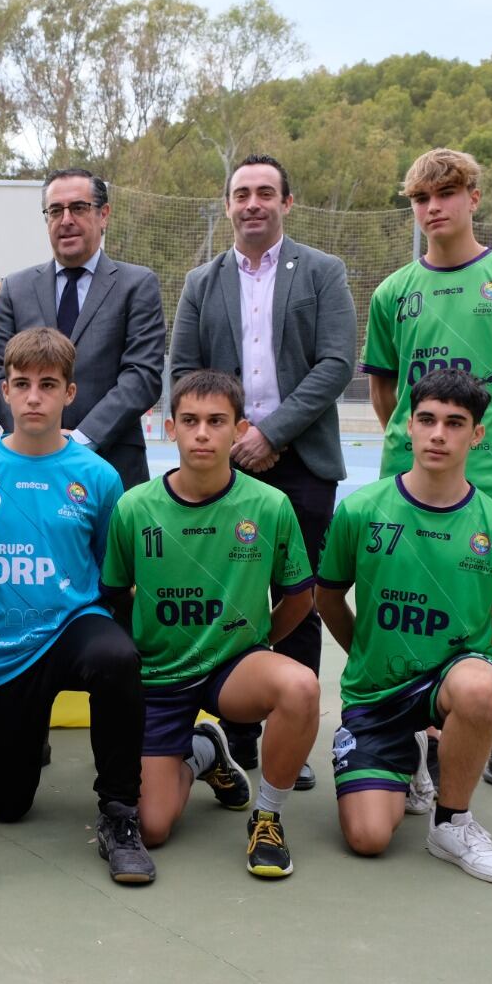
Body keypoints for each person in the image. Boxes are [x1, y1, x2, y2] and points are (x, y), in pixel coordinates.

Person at [361, 148, 492, 806]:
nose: (432, 208)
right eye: (420, 199)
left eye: (446, 193)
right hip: (409, 481)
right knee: (407, 612)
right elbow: (385, 389)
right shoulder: (394, 292)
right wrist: (414, 450)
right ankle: (419, 741)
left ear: (474, 197)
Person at [170, 153, 357, 789]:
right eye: (242, 193)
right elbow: (183, 372)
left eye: (265, 193)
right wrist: (233, 438)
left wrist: (271, 433)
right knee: (235, 599)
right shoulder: (201, 281)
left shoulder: (323, 272)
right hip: (226, 466)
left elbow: (336, 364)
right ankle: (242, 736)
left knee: (298, 603)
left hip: (303, 464)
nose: (253, 203)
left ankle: (289, 741)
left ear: (287, 202)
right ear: (227, 205)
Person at [0, 328, 152, 885]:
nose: (33, 396)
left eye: (47, 385)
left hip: (72, 625)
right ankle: (20, 734)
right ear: (5, 393)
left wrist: (120, 636)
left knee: (115, 657)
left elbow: (114, 575)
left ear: (69, 393)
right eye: (21, 384)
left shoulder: (98, 476)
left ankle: (119, 813)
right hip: (1, 647)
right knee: (5, 807)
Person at [100, 370, 319, 879]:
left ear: (239, 430)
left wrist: (261, 644)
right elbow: (114, 598)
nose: (203, 433)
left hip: (232, 666)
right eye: (191, 421)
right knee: (152, 827)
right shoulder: (135, 508)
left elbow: (299, 596)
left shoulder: (269, 506)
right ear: (169, 428)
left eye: (216, 421)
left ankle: (267, 815)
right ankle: (205, 751)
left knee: (300, 685)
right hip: (159, 674)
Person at [316, 369, 492, 884]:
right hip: (377, 692)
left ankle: (452, 822)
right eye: (427, 420)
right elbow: (327, 598)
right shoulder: (362, 510)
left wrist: (464, 662)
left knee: (481, 686)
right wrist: (366, 649)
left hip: (448, 681)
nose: (439, 434)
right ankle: (409, 760)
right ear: (406, 426)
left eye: (455, 423)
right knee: (368, 838)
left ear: (477, 435)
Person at [0, 168, 166, 491]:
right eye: (55, 210)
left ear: (103, 215)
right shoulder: (16, 288)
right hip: (29, 470)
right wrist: (34, 440)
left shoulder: (137, 285)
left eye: (78, 208)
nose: (65, 219)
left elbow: (142, 376)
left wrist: (80, 442)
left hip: (112, 466)